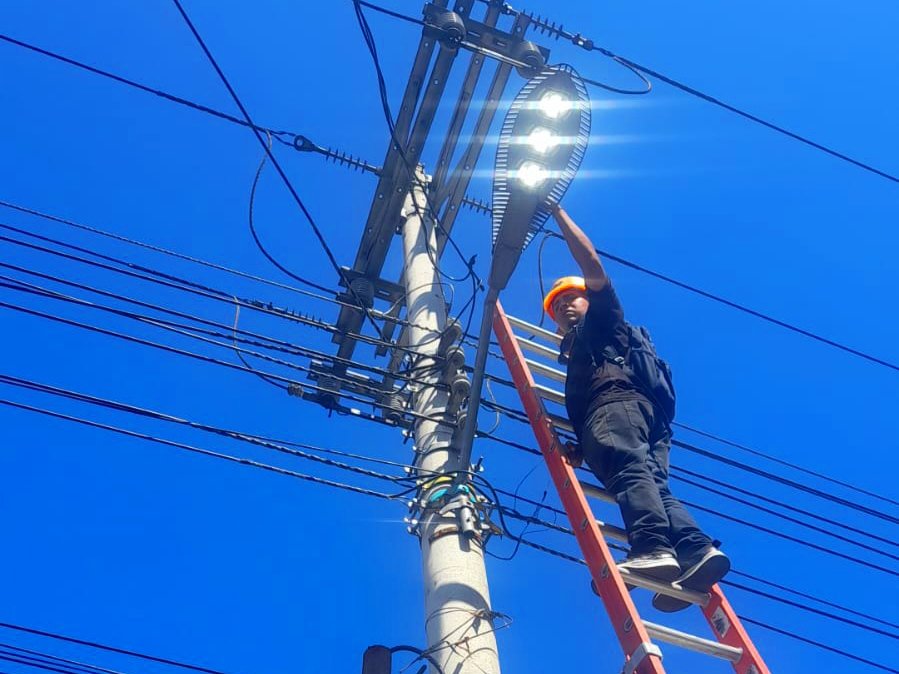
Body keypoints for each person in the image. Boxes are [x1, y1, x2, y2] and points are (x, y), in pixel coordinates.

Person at [545, 203, 730, 608]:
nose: (563, 306)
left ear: (588, 301)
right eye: (556, 306)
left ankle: (652, 549)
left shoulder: (602, 319)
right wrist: (583, 445)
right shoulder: (588, 344)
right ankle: (695, 550)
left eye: (570, 298)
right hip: (642, 417)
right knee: (652, 483)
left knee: (629, 470)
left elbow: (592, 263)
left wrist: (556, 211)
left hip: (619, 408)